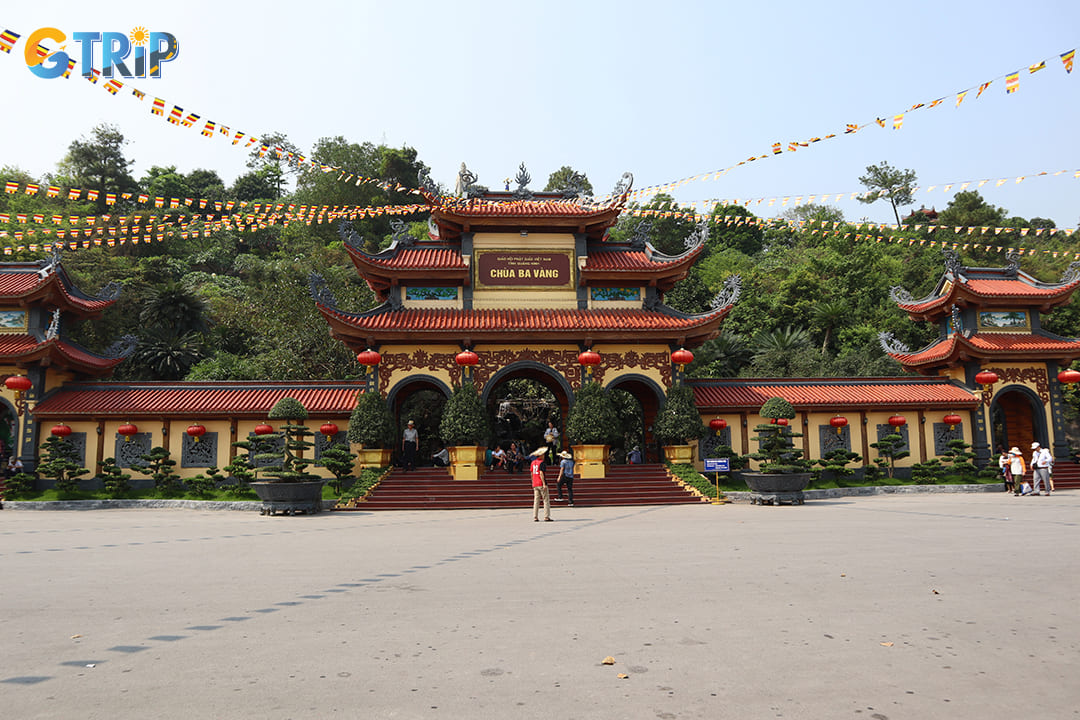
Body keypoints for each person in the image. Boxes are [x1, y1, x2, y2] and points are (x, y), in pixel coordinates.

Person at [530, 447, 551, 521]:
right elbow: (541, 473)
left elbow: (532, 473)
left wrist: (532, 481)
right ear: (541, 455)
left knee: (536, 501)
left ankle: (535, 516)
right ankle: (546, 516)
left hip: (535, 483)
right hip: (541, 483)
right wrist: (544, 484)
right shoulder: (541, 463)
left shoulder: (533, 462)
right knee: (546, 500)